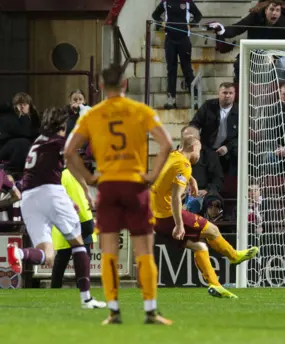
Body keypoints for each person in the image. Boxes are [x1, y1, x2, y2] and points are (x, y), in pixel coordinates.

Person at [64, 64, 174, 325]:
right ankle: (150, 310)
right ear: (125, 85)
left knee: (109, 249)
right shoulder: (140, 111)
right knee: (144, 250)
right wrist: (153, 175)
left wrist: (90, 178)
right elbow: (167, 144)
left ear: (101, 86)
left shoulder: (92, 115)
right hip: (135, 184)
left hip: (108, 185)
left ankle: (113, 311)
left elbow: (69, 152)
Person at [6, 108, 105, 310]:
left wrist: (66, 201)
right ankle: (86, 299)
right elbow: (72, 165)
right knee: (78, 244)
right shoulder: (61, 142)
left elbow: (46, 172)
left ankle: (19, 253)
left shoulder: (38, 142)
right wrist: (87, 192)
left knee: (47, 255)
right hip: (49, 193)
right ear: (63, 126)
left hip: (29, 198)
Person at [150, 135, 259, 298]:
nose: (200, 155)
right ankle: (234, 256)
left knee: (199, 246)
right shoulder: (184, 165)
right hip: (168, 215)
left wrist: (192, 180)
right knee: (213, 230)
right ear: (193, 148)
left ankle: (215, 285)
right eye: (199, 151)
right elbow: (175, 197)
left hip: (153, 216)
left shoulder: (173, 155)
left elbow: (169, 171)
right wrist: (179, 225)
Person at [50, 169, 96, 289]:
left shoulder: (61, 175)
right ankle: (83, 288)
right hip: (81, 220)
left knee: (61, 260)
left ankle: (55, 289)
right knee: (82, 259)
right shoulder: (75, 173)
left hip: (68, 222)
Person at [152, 0, 203, 109]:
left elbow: (198, 15)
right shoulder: (165, 2)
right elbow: (155, 15)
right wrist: (162, 22)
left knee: (187, 68)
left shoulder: (188, 2)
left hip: (184, 40)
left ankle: (195, 99)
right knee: (171, 69)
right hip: (170, 40)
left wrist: (191, 25)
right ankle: (171, 100)